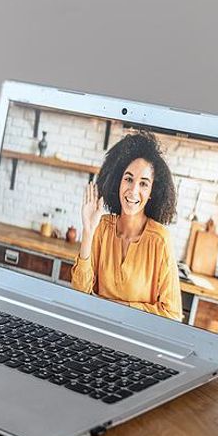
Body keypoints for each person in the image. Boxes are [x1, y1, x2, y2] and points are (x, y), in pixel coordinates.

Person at [71, 132, 183, 321]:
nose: (133, 191)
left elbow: (173, 314)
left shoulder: (160, 240)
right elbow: (79, 293)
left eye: (144, 184)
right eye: (129, 179)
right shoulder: (101, 227)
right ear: (118, 181)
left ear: (152, 192)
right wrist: (88, 231)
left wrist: (119, 308)